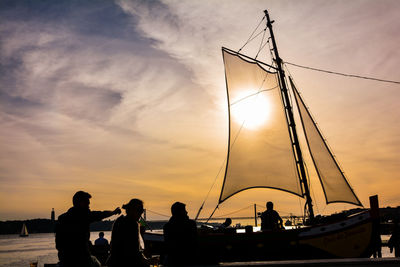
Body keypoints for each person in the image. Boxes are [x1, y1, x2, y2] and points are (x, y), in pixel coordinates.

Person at [55, 191, 121, 267]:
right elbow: (100, 214)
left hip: (65, 259)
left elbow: (58, 244)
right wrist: (113, 212)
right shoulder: (84, 215)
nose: (89, 206)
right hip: (82, 259)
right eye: (87, 203)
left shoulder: (62, 218)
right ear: (81, 203)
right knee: (96, 264)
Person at [107, 198, 158, 267]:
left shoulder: (119, 220)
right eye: (140, 210)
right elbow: (134, 251)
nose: (141, 213)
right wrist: (147, 261)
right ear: (132, 210)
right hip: (126, 262)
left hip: (114, 262)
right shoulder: (132, 224)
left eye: (142, 211)